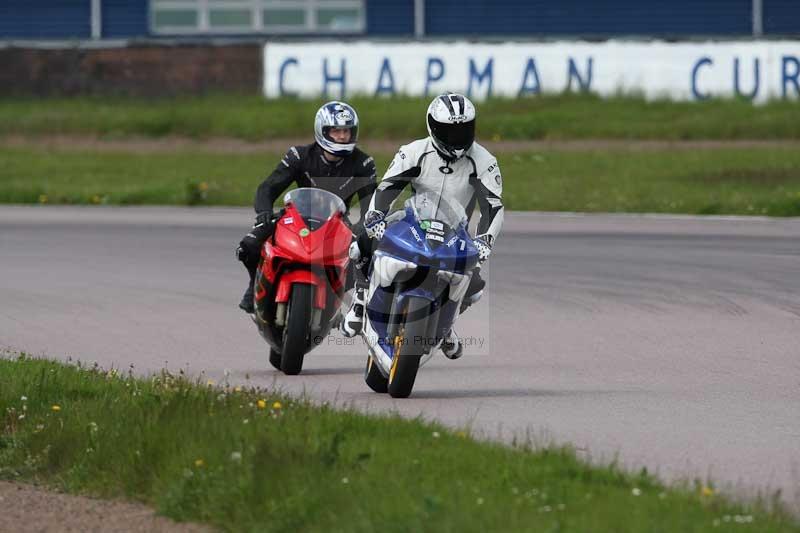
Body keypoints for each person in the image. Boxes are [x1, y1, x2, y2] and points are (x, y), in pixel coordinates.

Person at [340, 92, 503, 360]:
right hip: (414, 220)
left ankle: (446, 324)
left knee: (474, 284)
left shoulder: (484, 161)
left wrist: (485, 240)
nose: (456, 137)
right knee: (361, 241)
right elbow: (388, 188)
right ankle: (359, 301)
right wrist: (375, 216)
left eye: (463, 130)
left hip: (455, 232)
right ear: (433, 127)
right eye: (449, 131)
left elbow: (493, 207)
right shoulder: (414, 152)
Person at [236, 101, 377, 313]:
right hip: (296, 215)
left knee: (367, 257)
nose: (341, 136)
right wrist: (264, 211)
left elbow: (370, 205)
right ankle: (253, 285)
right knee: (248, 246)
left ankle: (335, 296)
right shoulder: (299, 155)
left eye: (346, 131)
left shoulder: (363, 163)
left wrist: (363, 229)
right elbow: (267, 188)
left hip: (338, 222)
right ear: (322, 130)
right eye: (336, 130)